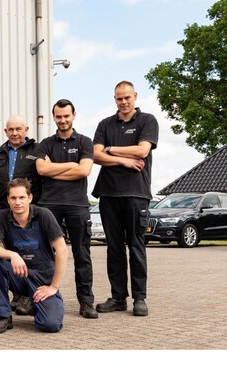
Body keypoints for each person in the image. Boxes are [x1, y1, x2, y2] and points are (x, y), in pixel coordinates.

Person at [92, 81, 159, 317]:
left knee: (136, 246)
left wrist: (110, 149)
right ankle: (118, 297)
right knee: (114, 248)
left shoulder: (147, 121)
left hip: (136, 194)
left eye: (127, 97)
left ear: (135, 96)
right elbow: (95, 155)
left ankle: (139, 298)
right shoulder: (105, 124)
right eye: (119, 98)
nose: (123, 102)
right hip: (108, 194)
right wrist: (123, 160)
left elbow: (142, 150)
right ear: (115, 99)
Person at [35, 99, 97, 319]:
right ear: (54, 117)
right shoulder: (45, 144)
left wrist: (54, 169)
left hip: (77, 205)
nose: (62, 120)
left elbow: (84, 171)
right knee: (44, 254)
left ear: (74, 115)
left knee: (82, 254)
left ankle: (86, 302)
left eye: (66, 116)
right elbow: (41, 170)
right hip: (49, 205)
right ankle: (43, 298)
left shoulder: (85, 142)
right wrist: (71, 165)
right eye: (58, 116)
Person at [0, 178, 67, 333]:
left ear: (30, 198)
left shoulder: (43, 215)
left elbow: (62, 250)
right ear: (8, 199)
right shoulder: (2, 217)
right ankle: (4, 316)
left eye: (22, 197)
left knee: (50, 325)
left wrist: (53, 287)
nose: (18, 202)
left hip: (42, 280)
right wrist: (12, 255)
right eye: (13, 198)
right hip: (18, 276)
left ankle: (38, 305)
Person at [0, 115, 42, 219]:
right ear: (6, 131)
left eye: (18, 129)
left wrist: (39, 206)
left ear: (26, 130)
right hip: (2, 210)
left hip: (31, 209)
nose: (14, 133)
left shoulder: (38, 150)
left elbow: (45, 180)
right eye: (11, 130)